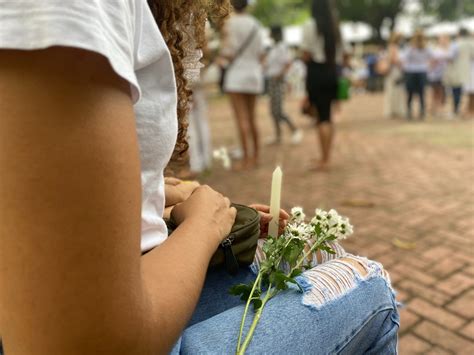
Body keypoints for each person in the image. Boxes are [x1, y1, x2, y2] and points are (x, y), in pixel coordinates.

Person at [0, 1, 399, 354]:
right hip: (129, 316)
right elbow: (85, 343)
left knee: (315, 253)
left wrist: (169, 194)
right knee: (370, 286)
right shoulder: (64, 11)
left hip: (138, 269)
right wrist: (204, 225)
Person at [219, 0, 265, 169]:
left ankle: (246, 159)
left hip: (236, 76)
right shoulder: (256, 25)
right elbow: (261, 54)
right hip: (254, 75)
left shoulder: (229, 25)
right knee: (253, 118)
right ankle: (256, 157)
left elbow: (227, 53)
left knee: (242, 120)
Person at [301, 0, 343, 171]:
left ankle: (324, 159)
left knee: (321, 118)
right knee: (328, 116)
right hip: (332, 72)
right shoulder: (335, 26)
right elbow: (343, 53)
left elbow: (306, 54)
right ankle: (326, 157)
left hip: (316, 73)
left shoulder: (310, 25)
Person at [265, 25, 302, 145]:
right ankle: (278, 135)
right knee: (273, 110)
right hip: (272, 80)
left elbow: (288, 63)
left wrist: (280, 75)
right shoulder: (274, 48)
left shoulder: (282, 47)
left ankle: (295, 130)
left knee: (278, 110)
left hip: (278, 81)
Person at [400, 31, 432, 120]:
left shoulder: (410, 48)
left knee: (410, 94)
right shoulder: (425, 47)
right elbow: (432, 58)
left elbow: (403, 59)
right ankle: (422, 112)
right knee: (421, 93)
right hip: (422, 71)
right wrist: (428, 67)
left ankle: (409, 112)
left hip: (411, 72)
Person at [444, 29, 474, 118]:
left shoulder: (456, 44)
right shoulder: (471, 44)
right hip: (468, 70)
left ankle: (456, 110)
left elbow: (450, 57)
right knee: (468, 92)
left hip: (457, 70)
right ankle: (468, 110)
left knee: (456, 91)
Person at [382, 33, 406, 119]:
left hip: (395, 71)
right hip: (394, 71)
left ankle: (395, 110)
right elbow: (393, 60)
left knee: (396, 90)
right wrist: (402, 65)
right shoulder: (393, 47)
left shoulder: (394, 47)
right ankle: (393, 110)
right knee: (394, 90)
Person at [428, 35, 450, 118]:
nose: (444, 41)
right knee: (437, 93)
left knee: (441, 93)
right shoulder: (437, 50)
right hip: (435, 75)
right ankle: (435, 110)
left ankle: (438, 109)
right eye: (442, 40)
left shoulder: (447, 50)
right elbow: (432, 62)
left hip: (443, 75)